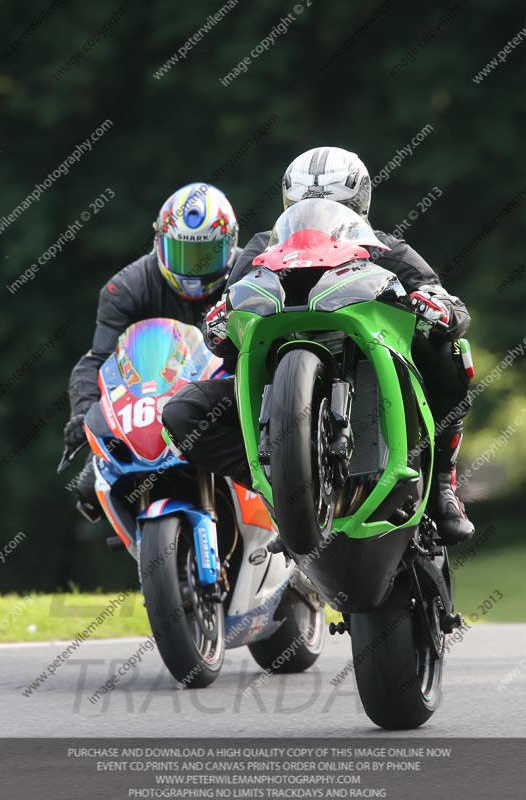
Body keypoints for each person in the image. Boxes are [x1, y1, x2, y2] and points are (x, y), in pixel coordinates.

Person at [162, 149, 475, 545]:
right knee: (181, 413)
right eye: (305, 206)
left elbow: (449, 305)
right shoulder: (259, 252)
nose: (318, 216)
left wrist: (435, 305)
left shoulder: (385, 248)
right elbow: (224, 340)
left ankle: (444, 486)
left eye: (332, 206)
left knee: (451, 352)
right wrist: (220, 321)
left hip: (369, 362)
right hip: (279, 378)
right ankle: (283, 492)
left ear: (357, 205)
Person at [63, 182, 240, 520]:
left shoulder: (245, 278)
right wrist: (83, 414)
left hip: (225, 395)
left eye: (206, 256)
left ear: (229, 246)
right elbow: (98, 362)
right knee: (89, 488)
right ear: (159, 243)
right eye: (182, 254)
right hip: (149, 406)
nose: (193, 269)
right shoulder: (125, 288)